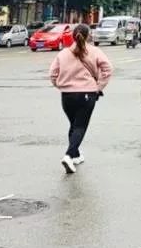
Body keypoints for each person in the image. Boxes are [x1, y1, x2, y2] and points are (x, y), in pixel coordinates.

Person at [48, 23, 112, 174]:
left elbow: (52, 74)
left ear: (72, 36)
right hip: (87, 94)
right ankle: (69, 155)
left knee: (74, 125)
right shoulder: (95, 51)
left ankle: (75, 155)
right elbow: (108, 69)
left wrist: (61, 86)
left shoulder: (63, 53)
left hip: (67, 96)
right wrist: (99, 87)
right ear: (89, 36)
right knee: (80, 127)